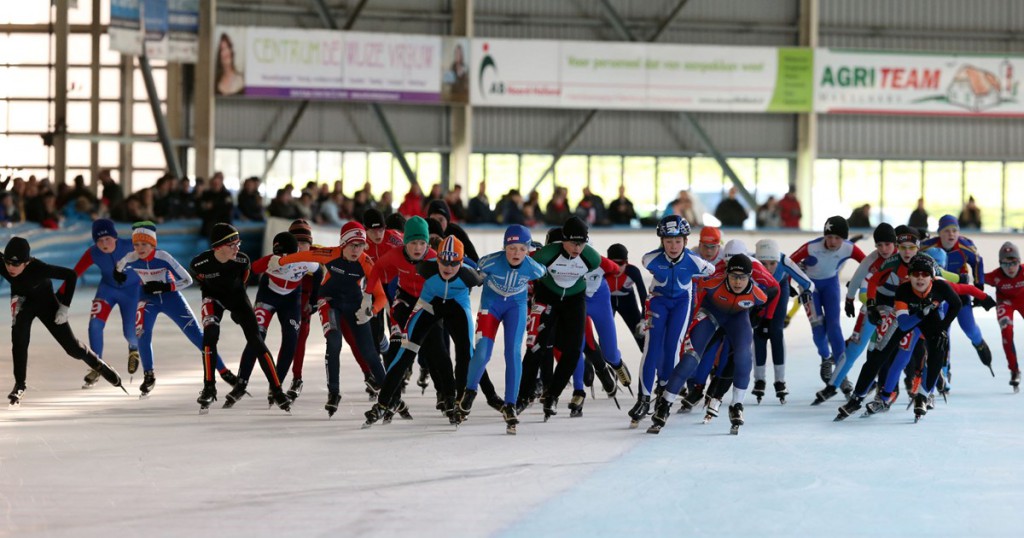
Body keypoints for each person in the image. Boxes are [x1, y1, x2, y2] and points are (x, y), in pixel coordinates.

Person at [364, 236, 483, 427]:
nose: (448, 267)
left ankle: (457, 401)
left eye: (454, 263)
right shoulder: (425, 267)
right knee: (405, 352)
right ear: (437, 259)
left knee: (465, 352)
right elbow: (393, 277)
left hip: (458, 308)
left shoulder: (471, 276)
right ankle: (383, 403)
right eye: (443, 261)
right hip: (428, 306)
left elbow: (482, 270)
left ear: (461, 262)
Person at [273, 222, 388, 417]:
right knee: (334, 342)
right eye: (352, 245)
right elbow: (305, 256)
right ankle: (334, 392)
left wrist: (371, 311)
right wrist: (281, 261)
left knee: (369, 352)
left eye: (361, 245)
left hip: (355, 306)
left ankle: (388, 393)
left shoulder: (366, 262)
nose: (356, 250)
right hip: (329, 302)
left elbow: (381, 296)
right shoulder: (330, 253)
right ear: (343, 244)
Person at [114, 222, 239, 397]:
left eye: (144, 244)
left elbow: (188, 280)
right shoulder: (131, 257)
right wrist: (117, 274)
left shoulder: (163, 257)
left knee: (197, 336)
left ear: (153, 244)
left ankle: (224, 371)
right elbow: (119, 265)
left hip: (171, 299)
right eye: (136, 244)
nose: (140, 248)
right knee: (142, 333)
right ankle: (149, 375)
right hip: (148, 300)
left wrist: (165, 287)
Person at [646, 254, 767, 434]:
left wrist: (760, 318)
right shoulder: (711, 284)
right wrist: (690, 327)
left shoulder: (758, 295)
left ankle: (737, 405)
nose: (737, 282)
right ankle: (664, 404)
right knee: (690, 360)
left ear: (750, 277)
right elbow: (694, 298)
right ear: (726, 274)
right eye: (733, 276)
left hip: (737, 320)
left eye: (742, 277)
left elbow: (767, 298)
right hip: (710, 315)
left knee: (744, 357)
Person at [836, 255, 964, 421]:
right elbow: (903, 324)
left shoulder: (941, 286)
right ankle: (857, 398)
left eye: (925, 274)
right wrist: (921, 313)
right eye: (915, 274)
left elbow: (957, 304)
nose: (920, 278)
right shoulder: (903, 290)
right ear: (909, 276)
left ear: (932, 277)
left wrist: (942, 328)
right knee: (878, 355)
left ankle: (922, 396)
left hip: (929, 319)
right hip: (905, 319)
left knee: (939, 349)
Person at [2, 237, 126, 406]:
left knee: (72, 349)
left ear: (27, 262)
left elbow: (71, 275)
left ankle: (98, 364)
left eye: (16, 264)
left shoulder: (39, 268)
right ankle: (20, 385)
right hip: (23, 302)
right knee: (19, 340)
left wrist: (64, 307)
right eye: (7, 263)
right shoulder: (4, 264)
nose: (10, 268)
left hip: (46, 303)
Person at [189, 224, 291, 413]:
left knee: (256, 340)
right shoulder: (199, 263)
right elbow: (200, 279)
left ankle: (277, 390)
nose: (237, 248)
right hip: (213, 298)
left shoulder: (242, 260)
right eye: (232, 245)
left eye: (239, 243)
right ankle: (209, 388)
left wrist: (238, 308)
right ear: (218, 247)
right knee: (210, 336)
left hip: (237, 299)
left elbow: (244, 279)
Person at [629, 215, 715, 426]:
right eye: (668, 241)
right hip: (657, 303)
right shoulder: (650, 259)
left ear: (686, 241)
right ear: (662, 241)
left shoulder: (695, 261)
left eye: (678, 241)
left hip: (681, 305)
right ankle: (643, 399)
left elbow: (711, 271)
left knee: (672, 348)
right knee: (651, 348)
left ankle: (663, 392)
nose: (673, 246)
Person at [460, 225, 547, 432]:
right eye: (512, 248)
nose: (516, 253)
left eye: (522, 249)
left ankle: (510, 404)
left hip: (515, 307)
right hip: (491, 305)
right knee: (482, 353)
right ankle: (469, 392)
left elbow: (546, 273)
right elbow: (472, 268)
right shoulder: (489, 262)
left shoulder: (534, 268)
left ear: (528, 250)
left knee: (513, 353)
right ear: (504, 247)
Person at [223, 232, 323, 409]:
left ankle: (276, 386)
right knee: (256, 337)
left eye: (289, 256)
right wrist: (239, 304)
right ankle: (241, 383)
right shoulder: (269, 261)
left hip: (291, 300)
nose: (284, 260)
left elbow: (318, 272)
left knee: (291, 340)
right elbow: (246, 273)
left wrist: (314, 300)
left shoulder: (305, 260)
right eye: (280, 256)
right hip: (268, 295)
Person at [518, 217, 604, 420]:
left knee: (573, 351)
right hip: (548, 296)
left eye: (581, 243)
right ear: (563, 240)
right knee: (535, 347)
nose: (577, 248)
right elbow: (523, 267)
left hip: (574, 299)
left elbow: (606, 267)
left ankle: (552, 395)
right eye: (573, 243)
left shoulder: (592, 258)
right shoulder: (545, 255)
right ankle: (522, 396)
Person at [790, 216, 866, 385]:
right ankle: (825, 358)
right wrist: (787, 284)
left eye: (837, 238)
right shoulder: (812, 247)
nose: (832, 242)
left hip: (831, 284)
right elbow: (788, 262)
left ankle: (841, 370)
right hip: (810, 286)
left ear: (844, 239)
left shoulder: (849, 248)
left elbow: (870, 265)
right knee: (818, 327)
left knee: (834, 326)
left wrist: (867, 284)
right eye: (829, 237)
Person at [70, 219, 141, 389]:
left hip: (132, 292)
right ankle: (97, 366)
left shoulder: (131, 245)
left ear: (115, 237)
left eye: (108, 239)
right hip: (107, 290)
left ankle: (133, 348)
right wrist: (59, 296)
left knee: (130, 333)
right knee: (95, 325)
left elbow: (155, 257)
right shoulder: (93, 253)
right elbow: (74, 274)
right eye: (99, 240)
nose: (104, 244)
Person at [921, 215, 994, 371]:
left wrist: (979, 287)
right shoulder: (928, 246)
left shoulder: (965, 246)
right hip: (939, 292)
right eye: (947, 231)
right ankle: (944, 368)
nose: (951, 234)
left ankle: (979, 343)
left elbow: (977, 262)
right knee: (943, 331)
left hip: (959, 291)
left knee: (969, 327)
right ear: (939, 233)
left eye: (955, 231)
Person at [751, 239, 814, 404]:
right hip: (760, 293)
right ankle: (759, 379)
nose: (768, 268)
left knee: (776, 332)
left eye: (772, 264)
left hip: (779, 291)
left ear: (778, 261)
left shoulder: (785, 261)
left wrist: (807, 292)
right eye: (763, 264)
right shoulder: (750, 262)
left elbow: (808, 283)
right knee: (758, 333)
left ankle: (780, 380)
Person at [985, 242, 1024, 391]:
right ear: (1000, 263)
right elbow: (974, 281)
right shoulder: (995, 275)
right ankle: (1014, 370)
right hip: (1005, 303)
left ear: (1019, 261)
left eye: (1013, 263)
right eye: (1005, 264)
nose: (1010, 268)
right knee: (1006, 332)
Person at [605, 243, 648, 352]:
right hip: (607, 300)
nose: (617, 267)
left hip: (627, 301)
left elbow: (643, 297)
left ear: (627, 262)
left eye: (620, 263)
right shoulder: (602, 272)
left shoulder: (633, 272)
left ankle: (650, 360)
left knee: (641, 335)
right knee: (605, 334)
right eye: (613, 263)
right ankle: (606, 360)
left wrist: (644, 319)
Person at [198, 173, 233, 238]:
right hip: (210, 220)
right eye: (214, 184)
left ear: (221, 184)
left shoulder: (226, 194)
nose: (216, 186)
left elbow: (228, 207)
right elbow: (201, 208)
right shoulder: (206, 194)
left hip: (224, 220)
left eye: (217, 184)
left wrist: (213, 205)